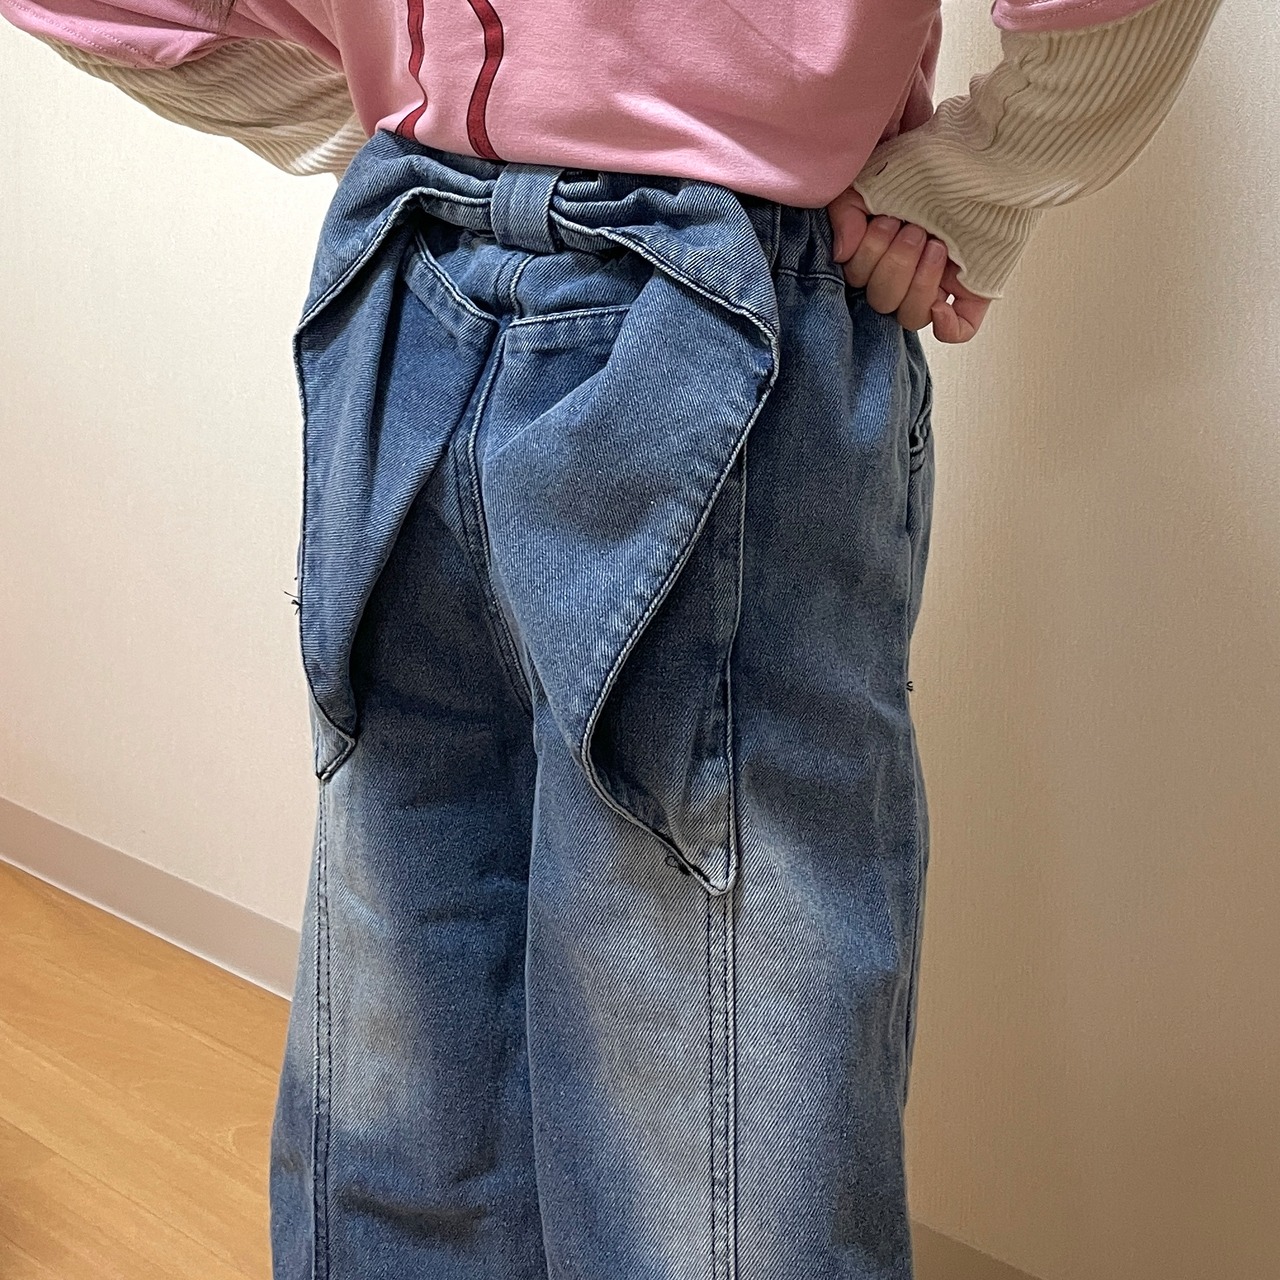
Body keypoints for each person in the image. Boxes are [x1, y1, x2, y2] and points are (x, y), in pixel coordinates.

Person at [1, 1, 1225, 1275]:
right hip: (681, 284)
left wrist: (463, 118)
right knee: (703, 1117)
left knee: (427, 1040)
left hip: (479, 279)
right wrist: (971, 182)